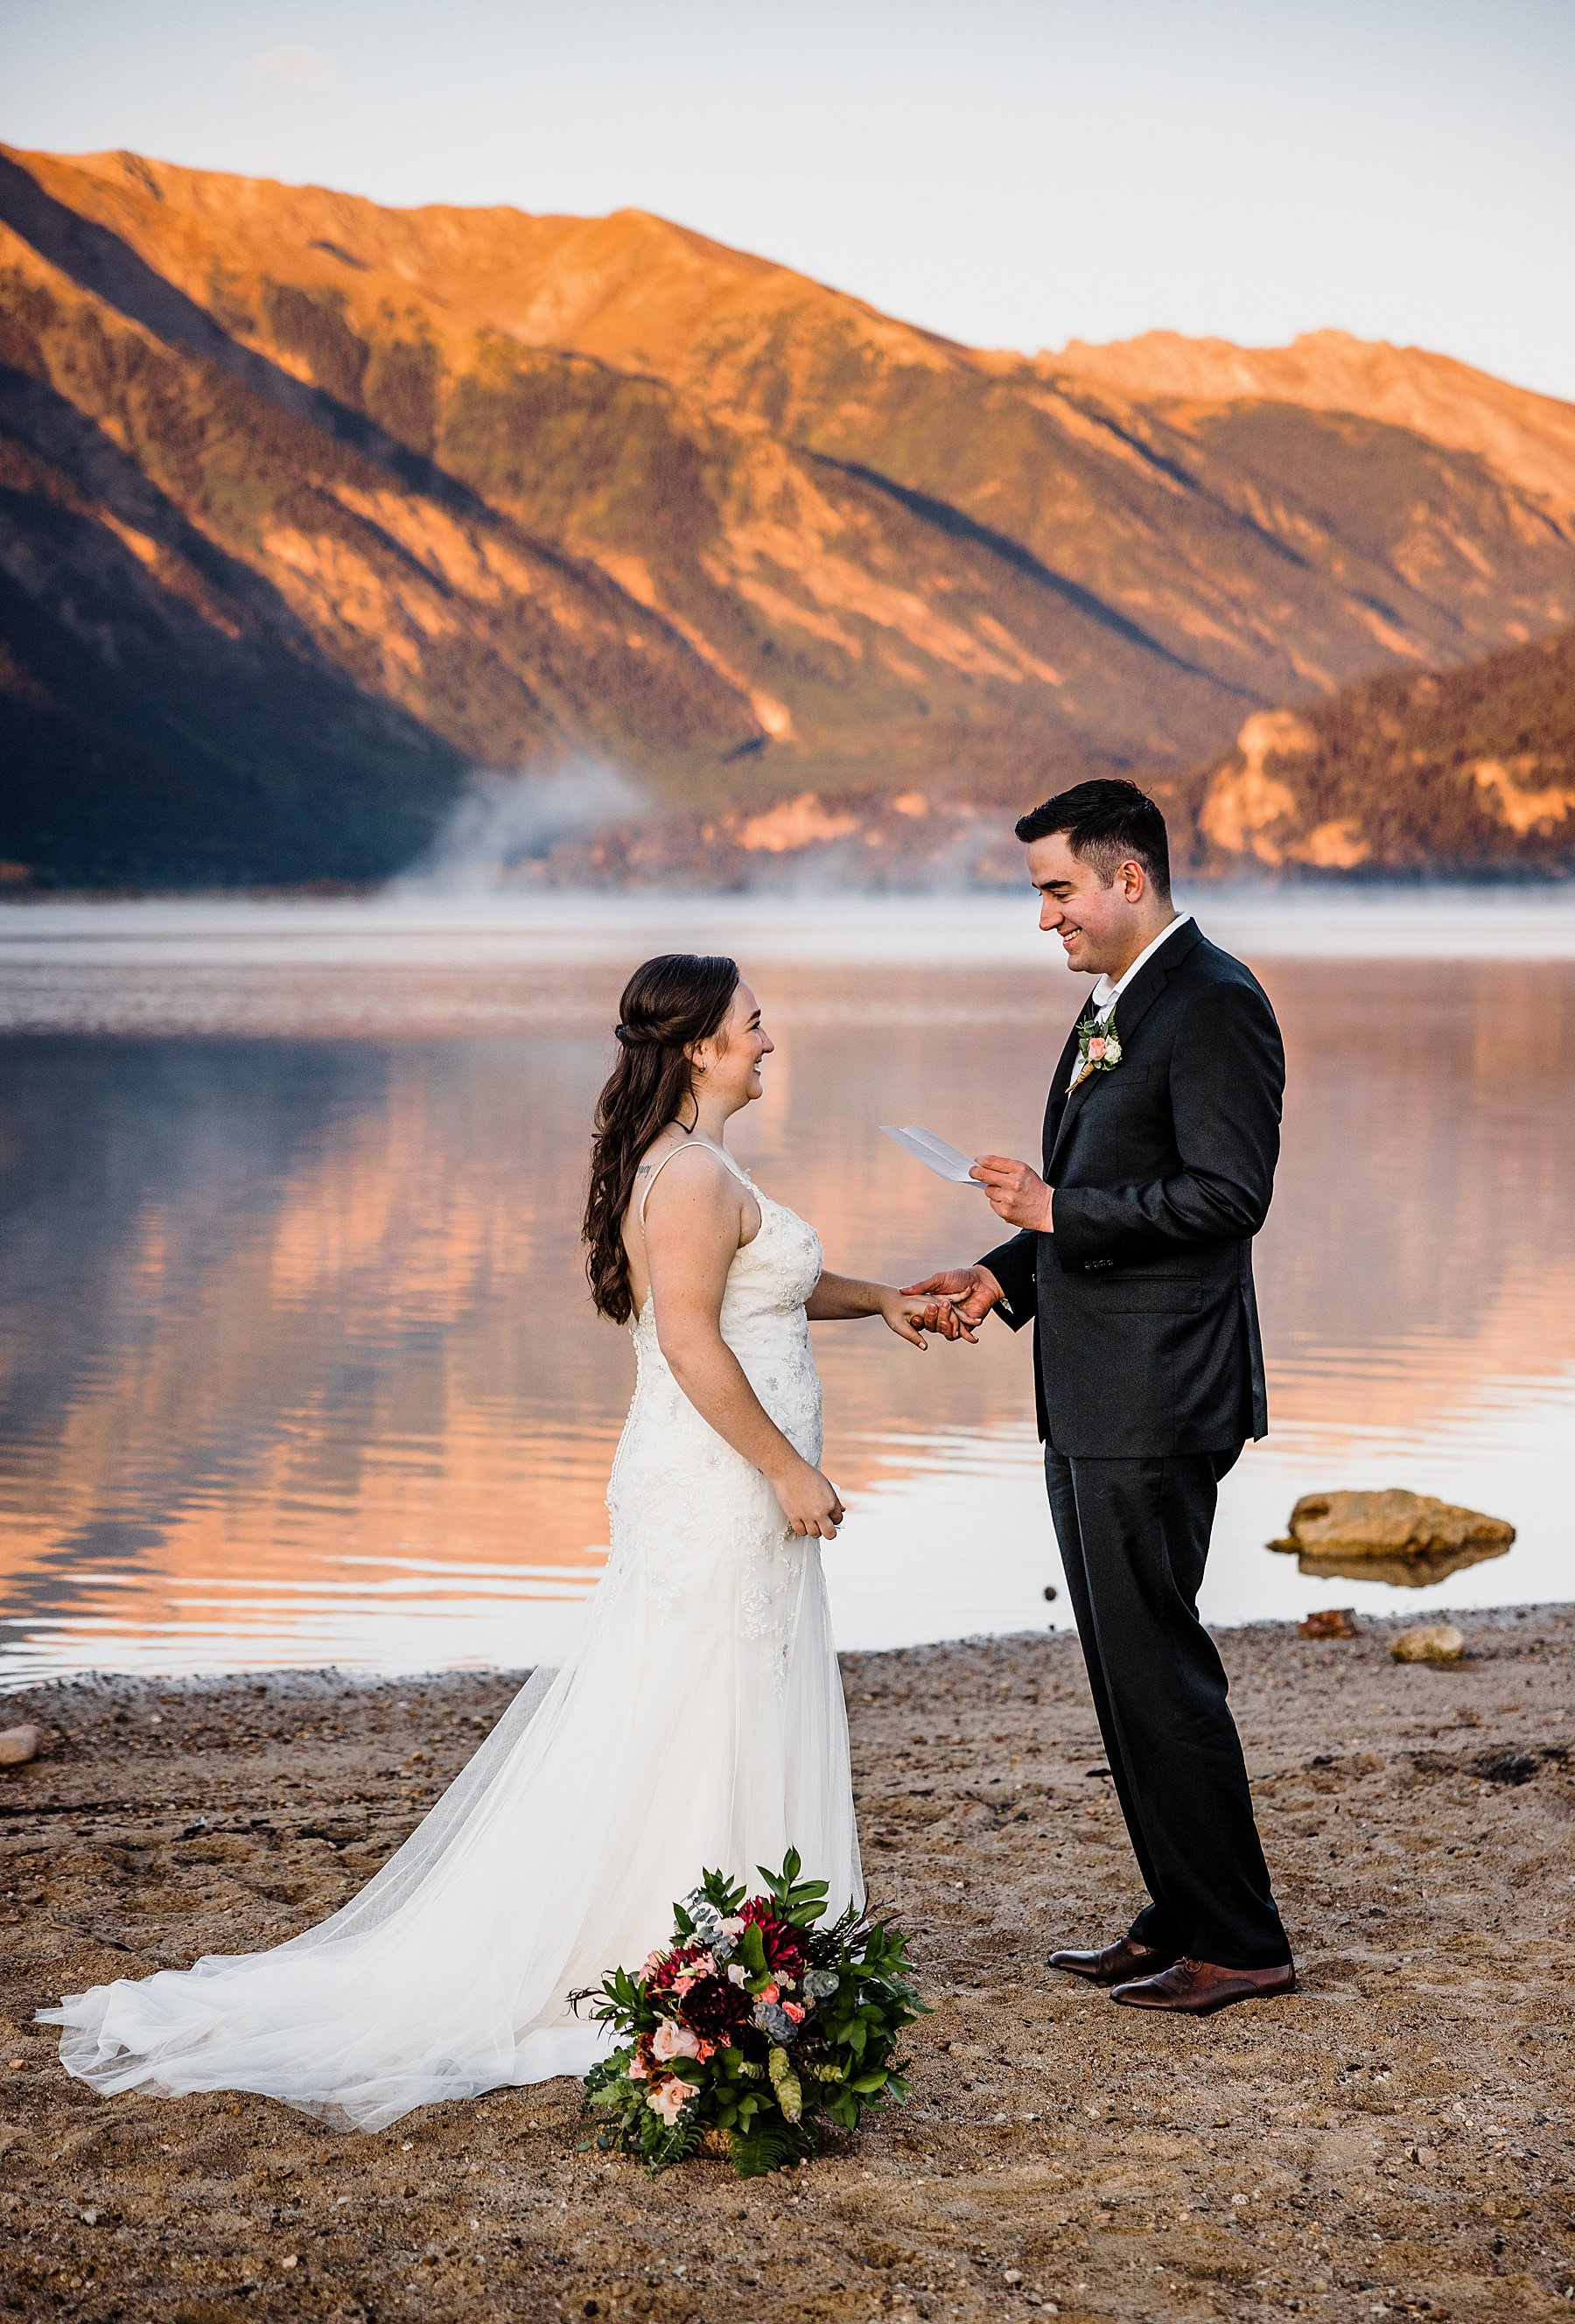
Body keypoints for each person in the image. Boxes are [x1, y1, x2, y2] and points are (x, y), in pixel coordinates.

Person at [39, 952, 935, 2129]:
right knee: (701, 1693)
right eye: (756, 1026)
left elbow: (754, 1295)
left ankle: (727, 1932)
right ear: (705, 1045)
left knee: (708, 1693)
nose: (771, 1041)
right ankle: (692, 1942)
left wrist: (881, 1300)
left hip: (719, 1484)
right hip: (722, 1485)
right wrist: (787, 1469)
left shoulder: (699, 1169)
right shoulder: (697, 1176)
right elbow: (691, 1346)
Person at [905, 779, 1296, 2017]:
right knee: (1123, 1670)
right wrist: (1003, 1270)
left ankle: (1240, 1940)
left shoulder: (1217, 1002)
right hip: (1088, 1387)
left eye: (1057, 889)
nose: (1045, 918)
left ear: (1129, 878)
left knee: (1159, 1665)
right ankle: (1181, 1911)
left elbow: (1229, 1197)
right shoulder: (1112, 1006)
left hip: (1161, 1393)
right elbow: (1104, 1190)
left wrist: (1056, 1209)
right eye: (1040, 894)